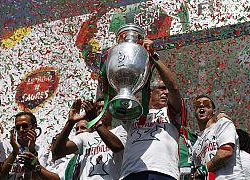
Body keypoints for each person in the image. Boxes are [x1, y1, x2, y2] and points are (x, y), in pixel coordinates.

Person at [119, 38, 185, 180]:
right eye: (161, 89)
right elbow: (117, 92)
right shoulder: (134, 112)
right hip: (130, 173)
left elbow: (174, 88)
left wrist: (154, 57)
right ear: (150, 93)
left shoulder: (171, 112)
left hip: (163, 172)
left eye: (165, 89)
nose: (165, 92)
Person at [51, 98, 127, 180]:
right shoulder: (85, 136)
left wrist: (95, 121)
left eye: (104, 107)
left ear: (111, 112)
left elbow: (117, 147)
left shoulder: (121, 130)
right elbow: (57, 152)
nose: (100, 111)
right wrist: (70, 123)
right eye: (97, 108)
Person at [192, 95, 245, 179]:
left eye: (206, 104)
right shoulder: (196, 146)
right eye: (197, 105)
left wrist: (204, 169)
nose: (201, 106)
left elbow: (226, 152)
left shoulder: (223, 123)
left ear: (213, 111)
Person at [0, 111, 43, 180]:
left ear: (34, 126)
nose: (21, 130)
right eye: (17, 127)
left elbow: (35, 177)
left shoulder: (41, 151)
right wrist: (14, 152)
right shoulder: (4, 146)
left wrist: (32, 151)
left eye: (25, 126)